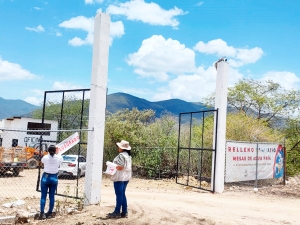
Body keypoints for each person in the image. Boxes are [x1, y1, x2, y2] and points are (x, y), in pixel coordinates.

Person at [107, 140, 132, 219]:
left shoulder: (121, 156)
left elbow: (120, 167)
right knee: (122, 194)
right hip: (126, 177)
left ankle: (117, 211)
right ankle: (124, 211)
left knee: (119, 195)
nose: (118, 147)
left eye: (119, 146)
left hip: (120, 178)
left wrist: (112, 166)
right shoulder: (128, 156)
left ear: (122, 148)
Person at [39, 145, 63, 220]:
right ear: (55, 150)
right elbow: (61, 160)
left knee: (43, 196)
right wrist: (58, 152)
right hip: (54, 177)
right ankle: (49, 213)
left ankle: (42, 213)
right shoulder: (59, 157)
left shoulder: (45, 157)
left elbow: (42, 161)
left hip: (46, 177)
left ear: (48, 151)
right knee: (52, 196)